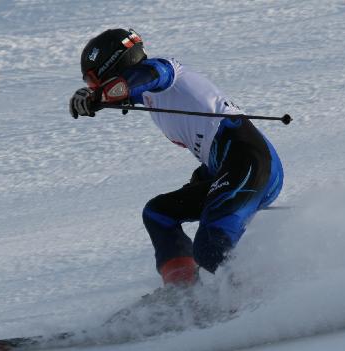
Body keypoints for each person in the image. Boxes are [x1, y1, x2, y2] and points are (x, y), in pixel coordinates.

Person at [70, 28, 284, 287]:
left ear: (113, 66)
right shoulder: (150, 96)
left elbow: (142, 78)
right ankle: (184, 292)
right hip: (232, 169)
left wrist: (97, 96)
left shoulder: (164, 70)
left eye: (94, 81)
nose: (94, 88)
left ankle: (256, 295)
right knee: (159, 214)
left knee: (210, 249)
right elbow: (126, 93)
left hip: (252, 164)